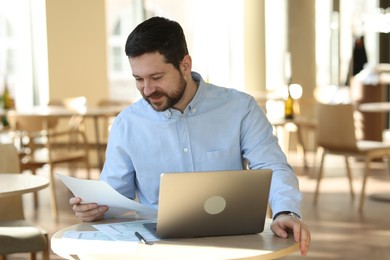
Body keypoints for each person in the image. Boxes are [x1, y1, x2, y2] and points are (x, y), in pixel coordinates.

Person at [70, 16, 310, 256]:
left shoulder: (240, 108)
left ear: (185, 65)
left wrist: (285, 211)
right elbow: (113, 197)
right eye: (138, 79)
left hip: (233, 245)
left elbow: (272, 165)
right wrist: (94, 209)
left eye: (156, 78)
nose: (147, 90)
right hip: (157, 251)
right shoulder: (126, 124)